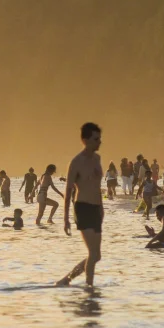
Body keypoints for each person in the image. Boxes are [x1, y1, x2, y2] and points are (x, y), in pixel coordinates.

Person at [57, 123, 104, 288]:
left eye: (100, 138)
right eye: (96, 139)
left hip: (96, 208)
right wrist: (66, 219)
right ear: (85, 140)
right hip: (82, 207)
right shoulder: (76, 162)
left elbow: (97, 187)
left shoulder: (97, 159)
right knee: (93, 253)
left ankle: (66, 280)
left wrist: (101, 209)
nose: (100, 142)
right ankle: (89, 289)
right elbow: (68, 190)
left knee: (96, 255)